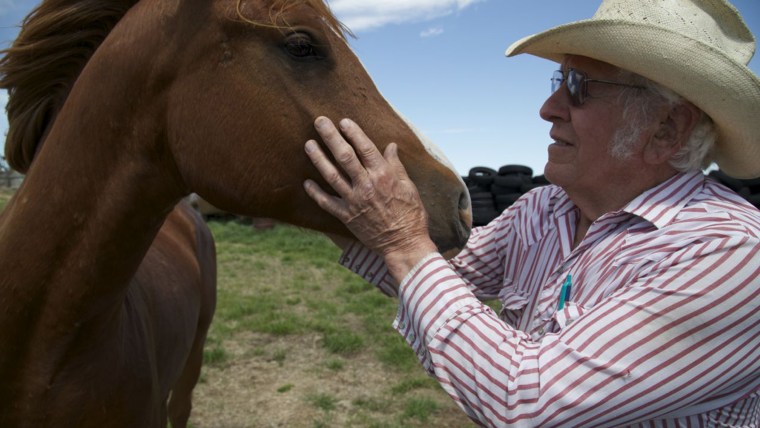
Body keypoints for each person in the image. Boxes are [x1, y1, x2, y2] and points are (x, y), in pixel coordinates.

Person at [302, 0, 760, 426]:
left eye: (579, 87)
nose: (548, 109)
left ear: (666, 129)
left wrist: (402, 239)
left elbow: (526, 401)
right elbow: (441, 271)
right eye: (558, 82)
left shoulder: (729, 254)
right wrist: (314, 205)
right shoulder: (545, 208)